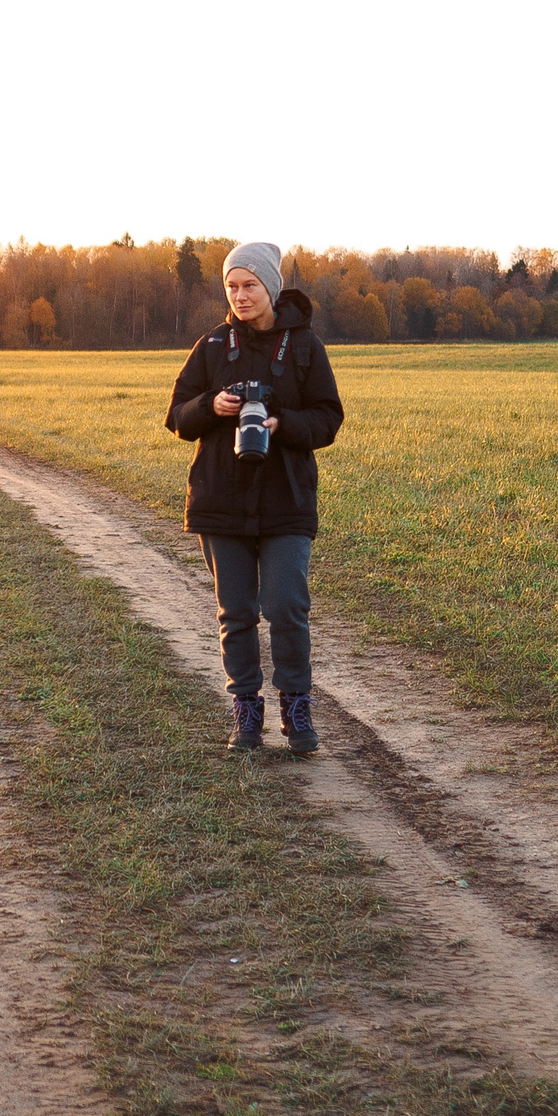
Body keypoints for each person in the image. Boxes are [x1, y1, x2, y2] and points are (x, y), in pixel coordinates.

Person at [165, 241, 345, 753]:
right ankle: (246, 713)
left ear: (271, 286)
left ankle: (296, 710)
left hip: (286, 500)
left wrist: (280, 423)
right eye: (232, 286)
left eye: (250, 285)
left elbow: (329, 418)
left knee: (286, 606)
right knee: (236, 613)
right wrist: (210, 406)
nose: (240, 296)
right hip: (221, 501)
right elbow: (176, 416)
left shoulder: (306, 347)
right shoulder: (212, 346)